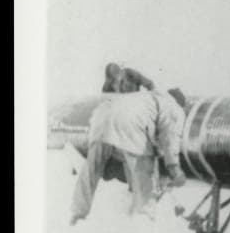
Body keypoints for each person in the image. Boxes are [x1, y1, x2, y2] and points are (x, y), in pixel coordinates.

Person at [69, 88, 187, 223]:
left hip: (101, 118)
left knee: (91, 169)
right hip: (131, 124)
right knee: (144, 177)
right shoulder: (174, 107)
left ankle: (77, 213)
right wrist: (174, 169)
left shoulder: (145, 97)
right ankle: (143, 219)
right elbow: (171, 137)